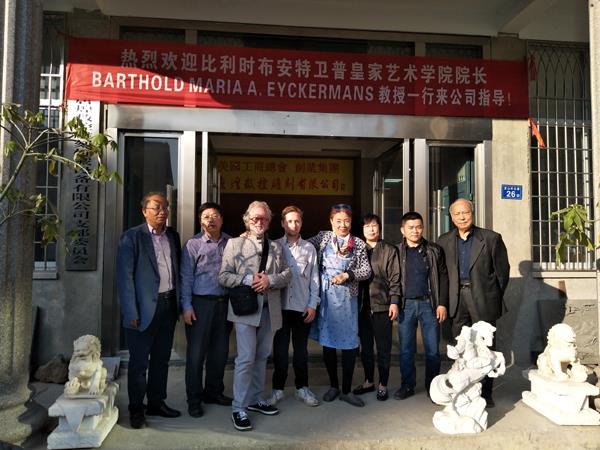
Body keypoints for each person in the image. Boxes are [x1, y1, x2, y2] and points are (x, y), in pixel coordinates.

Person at [218, 201, 291, 431]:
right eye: (255, 218)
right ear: (247, 219)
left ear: (269, 221)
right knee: (246, 358)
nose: (259, 222)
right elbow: (223, 276)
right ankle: (238, 407)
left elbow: (287, 274)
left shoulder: (276, 247)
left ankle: (255, 398)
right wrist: (248, 279)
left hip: (270, 309)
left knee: (262, 356)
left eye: (264, 218)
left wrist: (270, 280)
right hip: (245, 310)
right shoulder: (234, 244)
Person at [116, 192, 181, 429]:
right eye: (156, 207)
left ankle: (156, 402)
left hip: (168, 305)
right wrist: (130, 312)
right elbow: (125, 278)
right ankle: (136, 408)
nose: (162, 211)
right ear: (144, 211)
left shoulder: (172, 235)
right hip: (142, 309)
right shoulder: (132, 237)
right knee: (138, 363)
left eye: (165, 207)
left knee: (161, 359)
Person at [436, 198, 510, 407]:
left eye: (465, 212)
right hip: (456, 297)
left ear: (472, 213)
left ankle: (486, 392)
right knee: (459, 342)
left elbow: (502, 273)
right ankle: (463, 387)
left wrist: (492, 295)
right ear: (451, 217)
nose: (462, 217)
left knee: (485, 345)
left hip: (482, 298)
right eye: (457, 214)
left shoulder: (491, 238)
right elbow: (442, 274)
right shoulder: (444, 240)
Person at [308, 204, 372, 407]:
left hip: (347, 299)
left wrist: (348, 275)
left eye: (346, 221)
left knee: (349, 344)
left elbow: (366, 271)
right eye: (338, 221)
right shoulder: (323, 238)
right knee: (328, 342)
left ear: (351, 222)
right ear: (331, 222)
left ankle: (346, 390)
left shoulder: (358, 243)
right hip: (326, 298)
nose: (342, 225)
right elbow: (302, 246)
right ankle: (334, 386)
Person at [180, 202, 233, 418]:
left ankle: (214, 392)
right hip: (200, 304)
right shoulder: (192, 245)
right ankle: (194, 399)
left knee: (219, 352)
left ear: (222, 219)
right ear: (200, 221)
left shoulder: (231, 242)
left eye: (215, 215)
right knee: (196, 355)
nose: (211, 220)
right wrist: (186, 306)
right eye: (206, 216)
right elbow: (186, 277)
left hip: (225, 303)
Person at [266, 206, 320, 407]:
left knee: (301, 351)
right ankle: (277, 390)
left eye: (297, 221)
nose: (293, 225)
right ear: (282, 223)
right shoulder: (273, 246)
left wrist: (312, 305)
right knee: (279, 351)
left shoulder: (309, 248)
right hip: (279, 307)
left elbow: (314, 279)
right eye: (289, 221)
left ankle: (302, 388)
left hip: (301, 307)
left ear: (301, 223)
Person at [394, 211, 449, 400]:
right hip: (406, 305)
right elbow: (392, 279)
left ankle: (433, 387)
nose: (415, 231)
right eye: (410, 227)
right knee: (406, 350)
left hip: (429, 304)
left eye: (419, 227)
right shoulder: (397, 251)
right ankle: (407, 385)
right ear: (403, 230)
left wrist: (442, 303)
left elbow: (443, 277)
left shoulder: (434, 250)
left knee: (433, 350)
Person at [353, 214, 400, 401]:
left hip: (382, 306)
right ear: (362, 230)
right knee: (365, 348)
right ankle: (368, 381)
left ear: (379, 228)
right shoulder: (357, 249)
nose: (371, 229)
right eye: (367, 226)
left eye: (374, 226)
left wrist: (394, 301)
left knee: (383, 348)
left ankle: (383, 384)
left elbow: (395, 277)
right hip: (362, 307)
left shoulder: (389, 250)